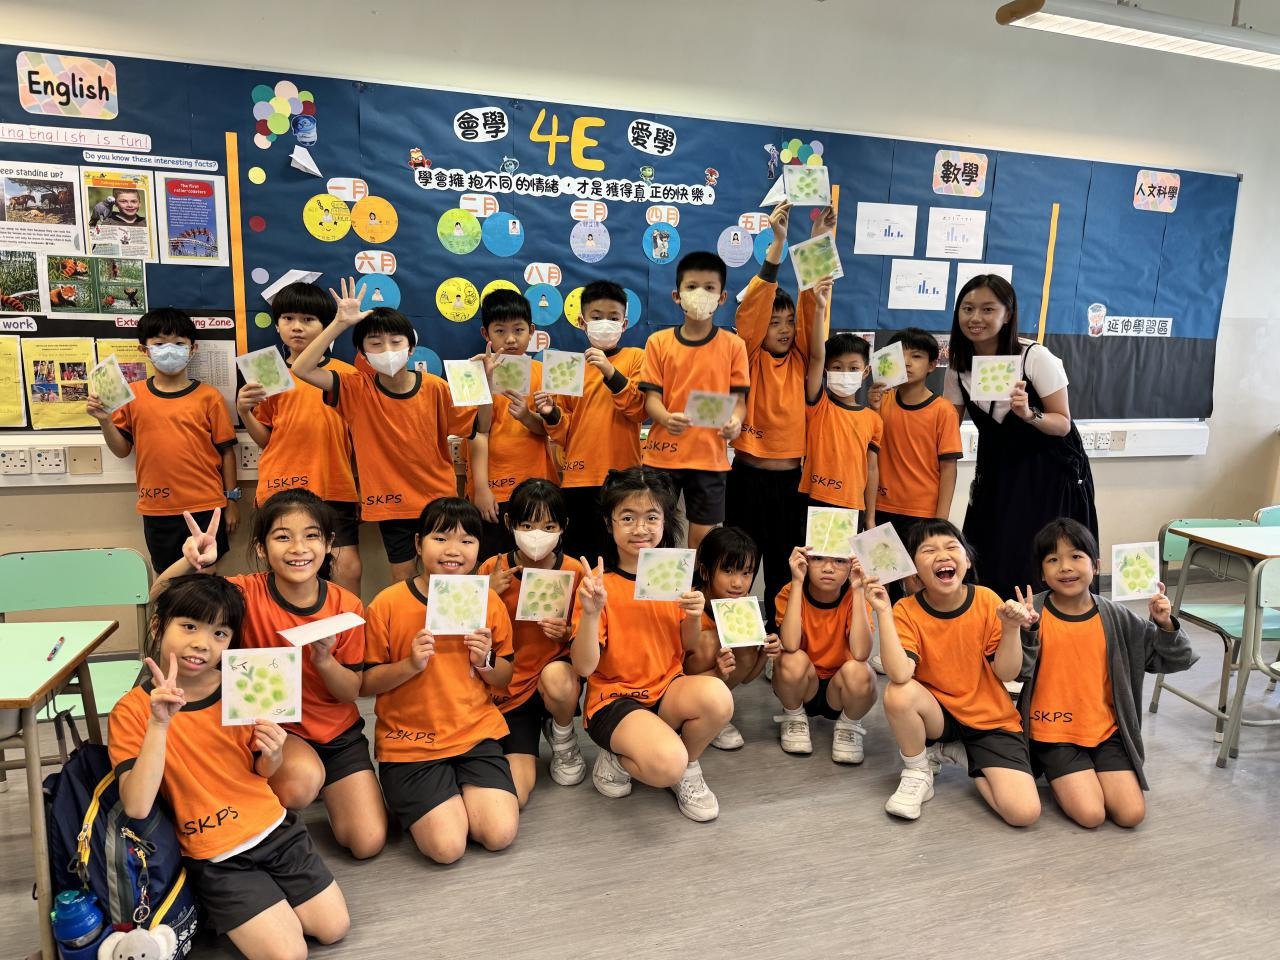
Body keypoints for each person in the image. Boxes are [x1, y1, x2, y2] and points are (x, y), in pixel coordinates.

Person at [109, 575, 349, 959]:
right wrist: (159, 724)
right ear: (157, 626)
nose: (202, 643)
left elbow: (262, 772)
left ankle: (258, 902)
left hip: (275, 828)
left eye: (219, 633)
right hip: (215, 854)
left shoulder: (242, 684)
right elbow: (137, 806)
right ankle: (212, 900)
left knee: (334, 928)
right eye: (189, 626)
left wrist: (273, 753)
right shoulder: (132, 711)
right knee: (289, 954)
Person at [155, 491, 386, 859]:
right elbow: (161, 597)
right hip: (272, 731)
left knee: (367, 842)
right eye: (282, 536)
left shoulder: (347, 606)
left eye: (311, 536)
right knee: (299, 785)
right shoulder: (244, 594)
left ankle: (324, 783)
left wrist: (325, 660)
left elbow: (350, 692)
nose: (298, 548)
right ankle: (260, 809)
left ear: (329, 544)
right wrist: (190, 562)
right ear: (262, 548)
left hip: (336, 734)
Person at [292, 278, 486, 583]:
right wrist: (339, 323)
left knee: (448, 577)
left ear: (411, 348)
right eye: (375, 343)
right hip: (392, 505)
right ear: (362, 352)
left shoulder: (436, 388)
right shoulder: (356, 389)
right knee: (404, 578)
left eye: (396, 342)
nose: (387, 349)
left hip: (438, 501)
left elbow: (477, 427)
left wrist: (485, 386)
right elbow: (301, 369)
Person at [361, 498, 519, 864]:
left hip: (475, 734)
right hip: (410, 743)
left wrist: (484, 661)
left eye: (467, 540)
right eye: (441, 538)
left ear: (479, 549)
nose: (453, 550)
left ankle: (454, 797)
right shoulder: (386, 604)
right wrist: (410, 665)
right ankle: (432, 799)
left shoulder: (488, 602)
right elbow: (365, 684)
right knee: (447, 848)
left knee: (499, 834)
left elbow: (505, 676)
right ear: (418, 544)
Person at [571, 466, 734, 821]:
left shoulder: (673, 575)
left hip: (666, 688)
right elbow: (583, 667)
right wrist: (590, 613)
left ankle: (689, 766)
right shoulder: (597, 585)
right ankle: (618, 759)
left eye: (651, 517)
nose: (640, 528)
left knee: (718, 698)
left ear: (665, 521)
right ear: (609, 523)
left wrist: (694, 615)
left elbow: (688, 645)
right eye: (627, 517)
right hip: (614, 699)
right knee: (666, 764)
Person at [1019, 518, 1196, 828]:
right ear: (1042, 573)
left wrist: (1165, 624)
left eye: (1076, 556)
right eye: (1053, 559)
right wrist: (1022, 631)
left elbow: (1177, 659)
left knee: (1131, 815)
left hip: (1106, 731)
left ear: (1096, 565)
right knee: (1091, 815)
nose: (1065, 567)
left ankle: (1087, 770)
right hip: (1054, 733)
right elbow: (1015, 671)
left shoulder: (1117, 616)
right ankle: (1058, 770)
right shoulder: (1033, 613)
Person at [944, 274, 1097, 602]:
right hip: (997, 471)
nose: (975, 318)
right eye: (967, 309)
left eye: (988, 309)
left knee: (1040, 555)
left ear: (1008, 315)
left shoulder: (1035, 357)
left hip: (1048, 472)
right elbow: (945, 426)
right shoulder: (959, 366)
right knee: (990, 551)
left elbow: (1062, 424)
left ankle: (1046, 626)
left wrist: (1029, 415)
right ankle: (994, 624)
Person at [879, 520, 1040, 825]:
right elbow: (900, 674)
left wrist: (1010, 629)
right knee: (899, 693)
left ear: (967, 560)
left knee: (1024, 813)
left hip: (990, 719)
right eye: (929, 550)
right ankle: (918, 771)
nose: (942, 554)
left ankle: (963, 755)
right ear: (913, 570)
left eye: (951, 547)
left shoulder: (987, 600)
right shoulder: (906, 610)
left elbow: (1007, 673)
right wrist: (884, 612)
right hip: (939, 716)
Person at [727, 200, 833, 625]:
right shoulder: (748, 356)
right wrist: (779, 243)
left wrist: (819, 242)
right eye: (776, 322)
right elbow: (752, 312)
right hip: (747, 478)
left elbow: (813, 308)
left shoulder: (803, 360)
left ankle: (779, 637)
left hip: (792, 484)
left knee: (784, 570)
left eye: (788, 321)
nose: (785, 329)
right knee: (736, 566)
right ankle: (731, 641)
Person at [86, 307, 238, 574]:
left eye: (179, 343)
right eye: (159, 344)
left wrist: (232, 501)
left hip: (206, 505)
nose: (170, 350)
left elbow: (227, 452)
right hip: (158, 508)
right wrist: (105, 420)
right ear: (144, 349)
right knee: (168, 580)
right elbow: (121, 450)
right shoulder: (132, 396)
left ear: (193, 348)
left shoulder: (209, 397)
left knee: (206, 579)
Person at [237, 281, 362, 594]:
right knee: (289, 571)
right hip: (281, 486)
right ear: (277, 325)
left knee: (347, 568)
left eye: (308, 319)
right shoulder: (267, 373)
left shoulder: (346, 374)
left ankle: (348, 626)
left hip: (334, 485)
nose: (297, 327)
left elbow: (361, 438)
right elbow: (266, 439)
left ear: (325, 325)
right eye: (288, 318)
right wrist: (244, 412)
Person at [478, 478, 587, 805]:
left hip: (553, 675)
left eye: (548, 526)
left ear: (563, 526)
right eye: (527, 525)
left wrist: (567, 633)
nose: (537, 535)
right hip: (506, 685)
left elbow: (586, 633)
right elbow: (470, 633)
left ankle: (563, 736)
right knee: (516, 789)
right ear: (509, 523)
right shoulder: (492, 568)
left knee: (557, 679)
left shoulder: (573, 570)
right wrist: (487, 595)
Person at [638, 251, 750, 549]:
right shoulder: (658, 342)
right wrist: (665, 418)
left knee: (702, 541)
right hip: (663, 456)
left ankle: (697, 583)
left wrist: (735, 422)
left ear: (722, 297)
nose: (700, 294)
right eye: (691, 287)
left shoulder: (734, 346)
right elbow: (651, 400)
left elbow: (739, 401)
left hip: (710, 458)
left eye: (709, 287)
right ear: (677, 296)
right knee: (655, 536)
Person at [533, 280, 647, 561]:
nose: (605, 323)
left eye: (613, 318)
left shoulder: (636, 358)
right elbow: (563, 433)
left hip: (623, 477)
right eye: (596, 317)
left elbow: (638, 410)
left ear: (624, 323)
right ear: (582, 322)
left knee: (621, 558)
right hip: (578, 477)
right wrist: (549, 412)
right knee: (580, 558)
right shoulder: (568, 368)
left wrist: (609, 371)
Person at [868, 326, 963, 601]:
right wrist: (872, 410)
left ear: (932, 365)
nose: (907, 363)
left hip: (923, 513)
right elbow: (869, 456)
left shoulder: (943, 411)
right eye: (900, 356)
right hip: (883, 508)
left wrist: (940, 521)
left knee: (917, 585)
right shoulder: (881, 403)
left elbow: (949, 469)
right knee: (883, 583)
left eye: (917, 356)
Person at [469, 289, 558, 559]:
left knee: (539, 561)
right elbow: (478, 431)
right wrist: (481, 488)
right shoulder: (474, 372)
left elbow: (549, 429)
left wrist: (528, 417)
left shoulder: (543, 373)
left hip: (537, 485)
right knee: (496, 562)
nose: (510, 339)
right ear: (485, 334)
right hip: (495, 490)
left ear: (531, 331)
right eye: (500, 331)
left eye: (518, 330)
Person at [772, 547, 878, 762]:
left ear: (851, 565)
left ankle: (849, 725)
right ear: (806, 561)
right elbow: (790, 643)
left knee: (862, 671)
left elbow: (861, 652)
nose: (828, 568)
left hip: (840, 688)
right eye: (818, 558)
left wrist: (858, 590)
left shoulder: (855, 595)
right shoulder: (791, 590)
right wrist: (797, 581)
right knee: (790, 658)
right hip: (804, 684)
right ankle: (794, 716)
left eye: (839, 560)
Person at [684, 526, 782, 749]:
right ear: (705, 571)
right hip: (673, 687)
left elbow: (747, 678)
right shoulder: (688, 599)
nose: (738, 583)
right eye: (728, 571)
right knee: (708, 642)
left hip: (709, 686)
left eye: (746, 573)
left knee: (745, 645)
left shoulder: (743, 607)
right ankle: (691, 713)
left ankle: (713, 712)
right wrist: (715, 673)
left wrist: (765, 653)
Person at [800, 332, 882, 530]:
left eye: (853, 368)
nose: (845, 373)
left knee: (843, 552)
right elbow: (816, 357)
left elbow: (872, 469)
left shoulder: (874, 419)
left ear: (866, 372)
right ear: (826, 371)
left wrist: (870, 518)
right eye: (837, 367)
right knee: (812, 552)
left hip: (852, 507)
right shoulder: (818, 405)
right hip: (814, 500)